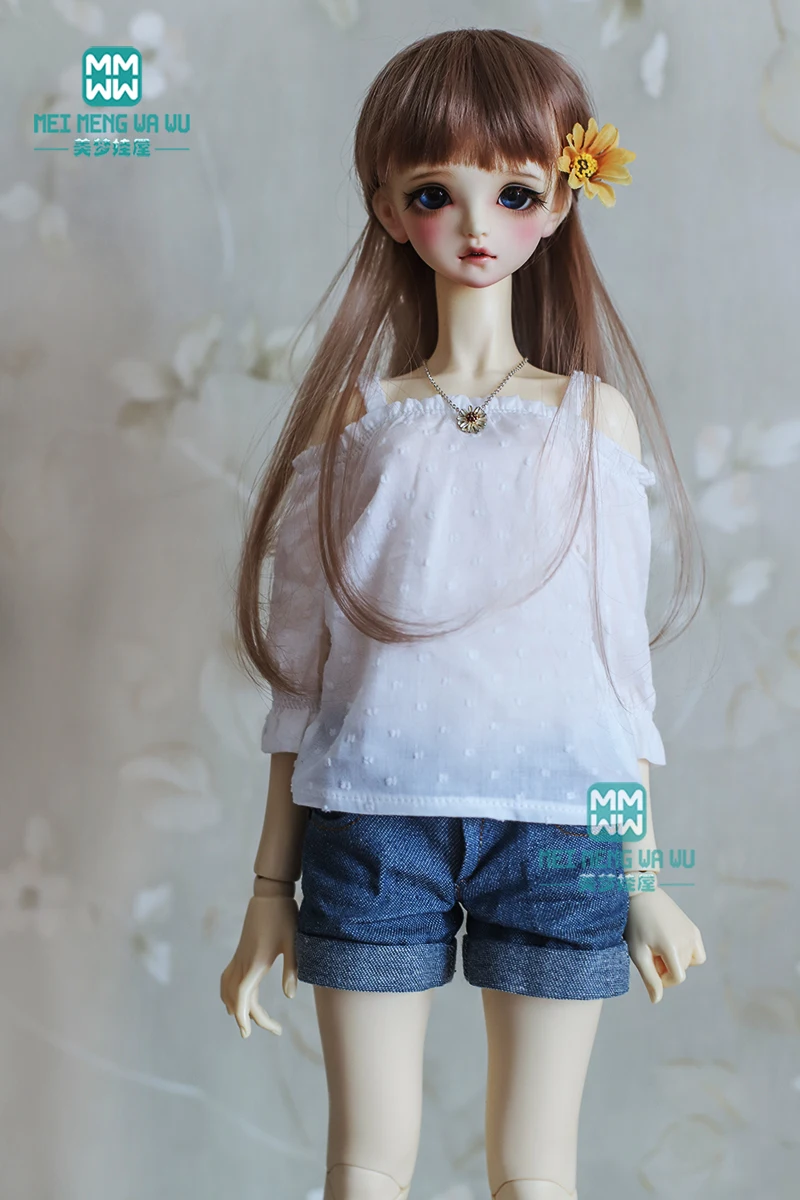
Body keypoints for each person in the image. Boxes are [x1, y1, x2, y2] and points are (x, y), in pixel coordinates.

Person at [220, 28, 707, 1200]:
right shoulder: (358, 421)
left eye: (515, 193)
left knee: (534, 1174)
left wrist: (640, 872)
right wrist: (268, 895)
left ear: (561, 201)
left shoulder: (590, 421)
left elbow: (612, 685)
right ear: (390, 210)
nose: (477, 225)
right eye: (436, 192)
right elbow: (305, 682)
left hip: (559, 838)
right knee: (364, 1167)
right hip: (370, 828)